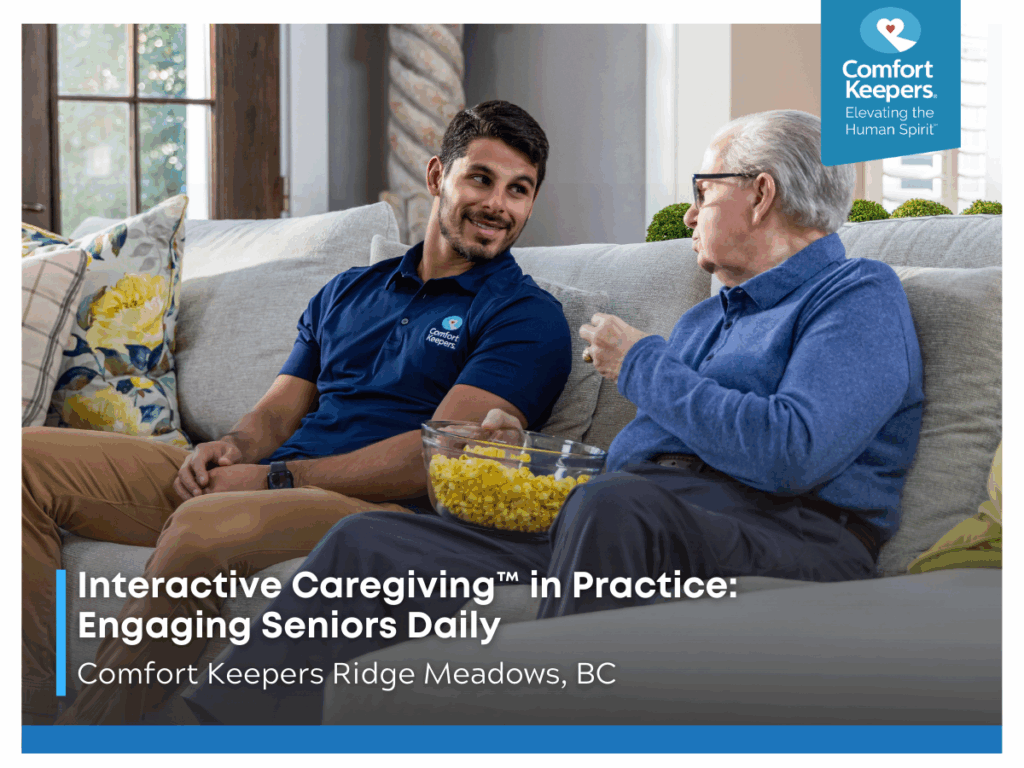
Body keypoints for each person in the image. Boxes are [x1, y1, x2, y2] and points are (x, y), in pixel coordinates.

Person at [182, 108, 925, 725]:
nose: (692, 212)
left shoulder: (856, 296)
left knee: (614, 507)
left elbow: (792, 451)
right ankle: (196, 732)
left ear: (760, 195)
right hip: (639, 515)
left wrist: (641, 362)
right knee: (371, 540)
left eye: (705, 189)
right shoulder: (710, 318)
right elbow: (643, 468)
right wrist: (522, 455)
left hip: (792, 533)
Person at [22, 100, 572, 725]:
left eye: (519, 190)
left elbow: (436, 462)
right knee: (22, 463)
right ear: (438, 175)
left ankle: (88, 741)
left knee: (206, 524)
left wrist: (276, 479)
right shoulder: (348, 291)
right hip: (273, 479)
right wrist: (230, 448)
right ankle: (28, 716)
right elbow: (276, 415)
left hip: (377, 512)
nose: (498, 204)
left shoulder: (526, 318)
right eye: (482, 178)